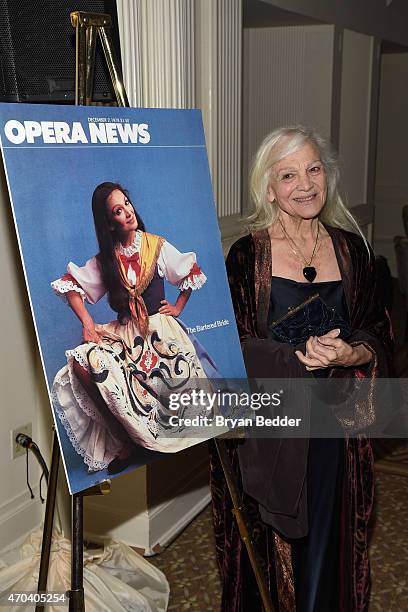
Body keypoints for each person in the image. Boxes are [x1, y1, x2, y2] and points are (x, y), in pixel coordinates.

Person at [210, 127, 393, 611]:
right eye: (288, 174)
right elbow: (229, 347)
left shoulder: (354, 251)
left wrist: (353, 354)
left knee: (327, 549)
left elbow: (378, 327)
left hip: (336, 429)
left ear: (326, 176)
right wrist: (290, 358)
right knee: (271, 556)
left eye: (313, 169)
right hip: (274, 430)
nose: (305, 183)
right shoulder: (247, 256)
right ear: (269, 189)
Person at [51, 181, 214, 473]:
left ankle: (158, 432)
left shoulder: (156, 245)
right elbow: (71, 286)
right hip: (126, 334)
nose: (127, 212)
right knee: (82, 365)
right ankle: (125, 439)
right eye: (117, 210)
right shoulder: (107, 259)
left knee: (181, 398)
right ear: (109, 223)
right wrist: (88, 323)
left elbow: (189, 271)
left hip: (159, 332)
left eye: (126, 203)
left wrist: (177, 308)